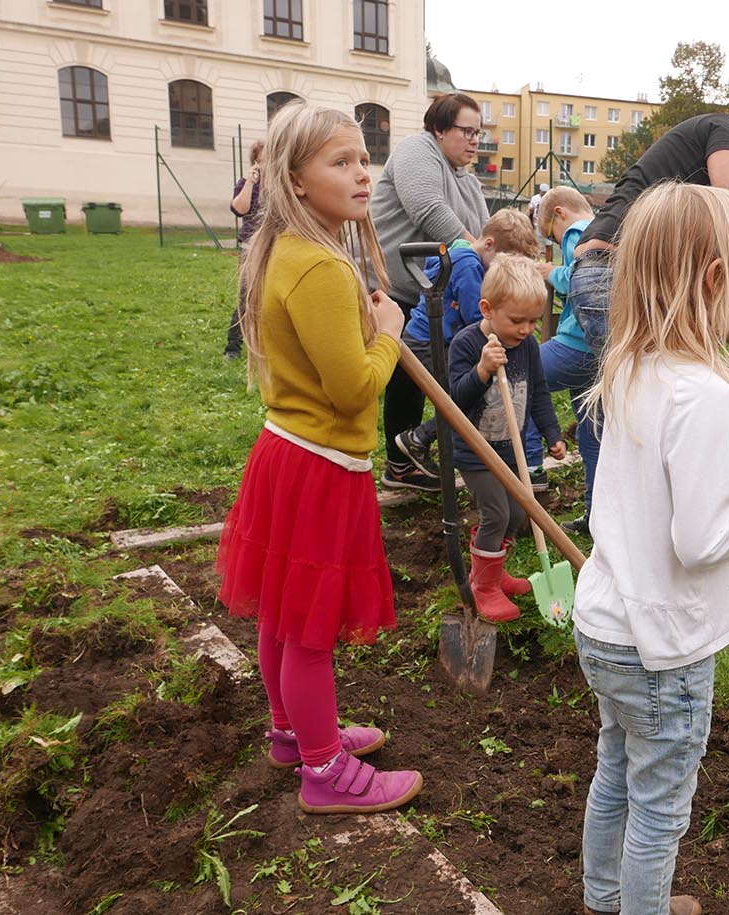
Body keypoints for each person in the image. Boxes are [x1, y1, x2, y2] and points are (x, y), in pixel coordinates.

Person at [572, 182, 729, 915]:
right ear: (718, 280)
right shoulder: (705, 397)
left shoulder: (631, 367)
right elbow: (701, 541)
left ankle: (604, 898)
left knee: (616, 773)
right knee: (661, 806)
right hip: (666, 648)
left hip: (605, 626)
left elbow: (699, 388)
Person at [215, 103, 422, 814]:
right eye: (341, 161)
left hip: (285, 454)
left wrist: (362, 322)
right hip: (322, 468)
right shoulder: (321, 270)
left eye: (364, 158)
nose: (362, 173)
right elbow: (354, 388)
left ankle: (289, 733)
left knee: (280, 614)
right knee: (309, 632)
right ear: (297, 180)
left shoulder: (288, 251)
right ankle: (324, 769)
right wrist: (389, 332)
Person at [566, 113, 729, 369]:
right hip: (615, 273)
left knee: (640, 392)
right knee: (656, 393)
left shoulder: (691, 196)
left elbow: (691, 296)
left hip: (602, 272)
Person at [372, 92, 490, 490]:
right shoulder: (417, 152)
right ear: (439, 129)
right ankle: (399, 465)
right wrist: (475, 255)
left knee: (434, 372)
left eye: (478, 132)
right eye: (466, 131)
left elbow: (485, 234)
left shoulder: (468, 180)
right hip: (397, 284)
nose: (475, 140)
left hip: (437, 291)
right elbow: (429, 210)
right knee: (406, 375)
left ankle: (415, 452)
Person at [448, 253, 565, 622]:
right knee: (496, 512)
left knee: (517, 511)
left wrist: (551, 434)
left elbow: (540, 392)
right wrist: (482, 369)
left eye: (533, 321)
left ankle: (494, 572)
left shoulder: (527, 346)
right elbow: (456, 401)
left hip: (510, 447)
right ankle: (483, 587)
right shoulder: (466, 345)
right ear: (487, 308)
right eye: (517, 320)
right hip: (475, 450)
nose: (527, 329)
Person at [392, 209, 540, 488]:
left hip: (430, 339)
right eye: (500, 264)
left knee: (465, 394)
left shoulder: (458, 252)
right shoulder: (468, 266)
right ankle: (419, 439)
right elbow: (478, 317)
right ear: (489, 244)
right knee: (463, 397)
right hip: (429, 343)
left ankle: (423, 439)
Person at [533, 185, 601, 535]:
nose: (556, 240)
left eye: (550, 234)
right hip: (599, 349)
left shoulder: (579, 231)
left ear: (559, 213)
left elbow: (575, 276)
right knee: (592, 435)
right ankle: (596, 515)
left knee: (521, 378)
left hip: (577, 344)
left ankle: (530, 475)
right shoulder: (605, 229)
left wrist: (549, 273)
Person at [224, 139, 264, 359]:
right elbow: (239, 209)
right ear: (256, 160)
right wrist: (251, 181)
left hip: (277, 245)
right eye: (263, 157)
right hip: (251, 247)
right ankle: (233, 348)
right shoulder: (245, 184)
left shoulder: (281, 183)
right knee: (245, 298)